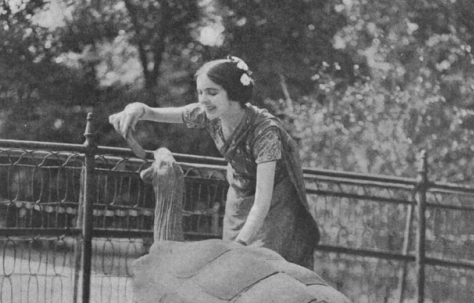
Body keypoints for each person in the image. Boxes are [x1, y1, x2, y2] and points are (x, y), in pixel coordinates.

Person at [109, 56, 320, 268]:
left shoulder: (265, 132)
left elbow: (262, 202)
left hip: (276, 202)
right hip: (239, 194)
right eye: (200, 92)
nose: (203, 100)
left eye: (212, 93)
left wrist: (239, 245)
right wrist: (137, 108)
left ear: (234, 93)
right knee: (232, 267)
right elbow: (153, 112)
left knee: (260, 264)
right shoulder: (209, 115)